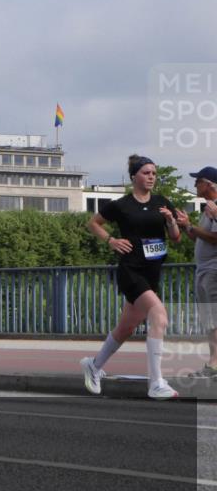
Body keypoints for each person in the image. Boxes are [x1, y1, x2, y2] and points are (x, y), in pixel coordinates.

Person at [82, 155, 182, 400]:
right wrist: (111, 240)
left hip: (152, 273)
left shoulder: (161, 202)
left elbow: (176, 237)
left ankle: (94, 365)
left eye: (154, 173)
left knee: (126, 327)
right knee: (159, 315)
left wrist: (171, 221)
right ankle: (156, 382)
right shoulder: (121, 205)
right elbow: (93, 223)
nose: (151, 177)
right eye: (146, 173)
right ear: (134, 176)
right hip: (130, 270)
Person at [175, 166, 217, 378]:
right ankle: (213, 363)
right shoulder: (208, 209)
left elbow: (215, 239)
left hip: (213, 270)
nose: (194, 185)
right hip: (205, 270)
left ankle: (214, 365)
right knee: (209, 318)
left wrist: (192, 227)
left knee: (213, 317)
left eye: (198, 181)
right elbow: (201, 238)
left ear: (209, 184)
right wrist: (187, 226)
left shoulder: (215, 208)